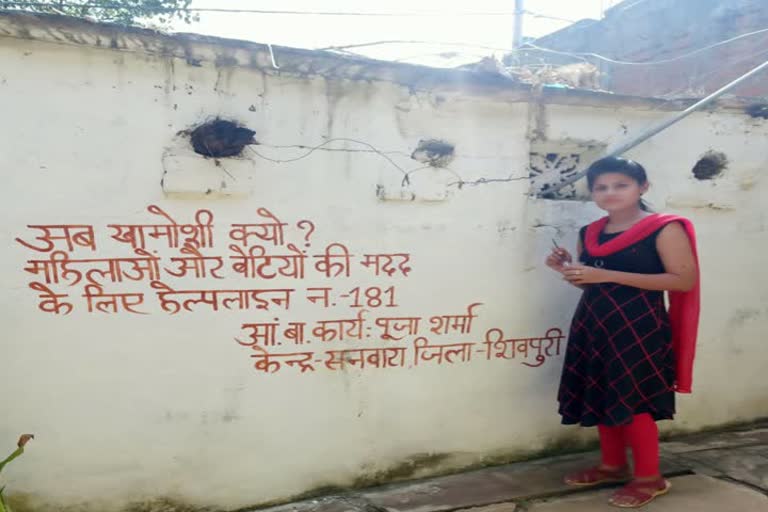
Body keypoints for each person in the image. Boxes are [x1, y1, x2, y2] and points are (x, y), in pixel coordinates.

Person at [545, 157, 700, 508]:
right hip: (594, 322)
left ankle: (650, 478)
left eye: (621, 185)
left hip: (640, 326)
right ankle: (612, 466)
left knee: (635, 400)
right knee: (602, 391)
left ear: (642, 187)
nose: (610, 193)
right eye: (601, 187)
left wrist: (608, 275)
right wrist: (566, 270)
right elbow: (592, 286)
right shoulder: (591, 233)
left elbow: (683, 280)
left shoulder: (664, 228)